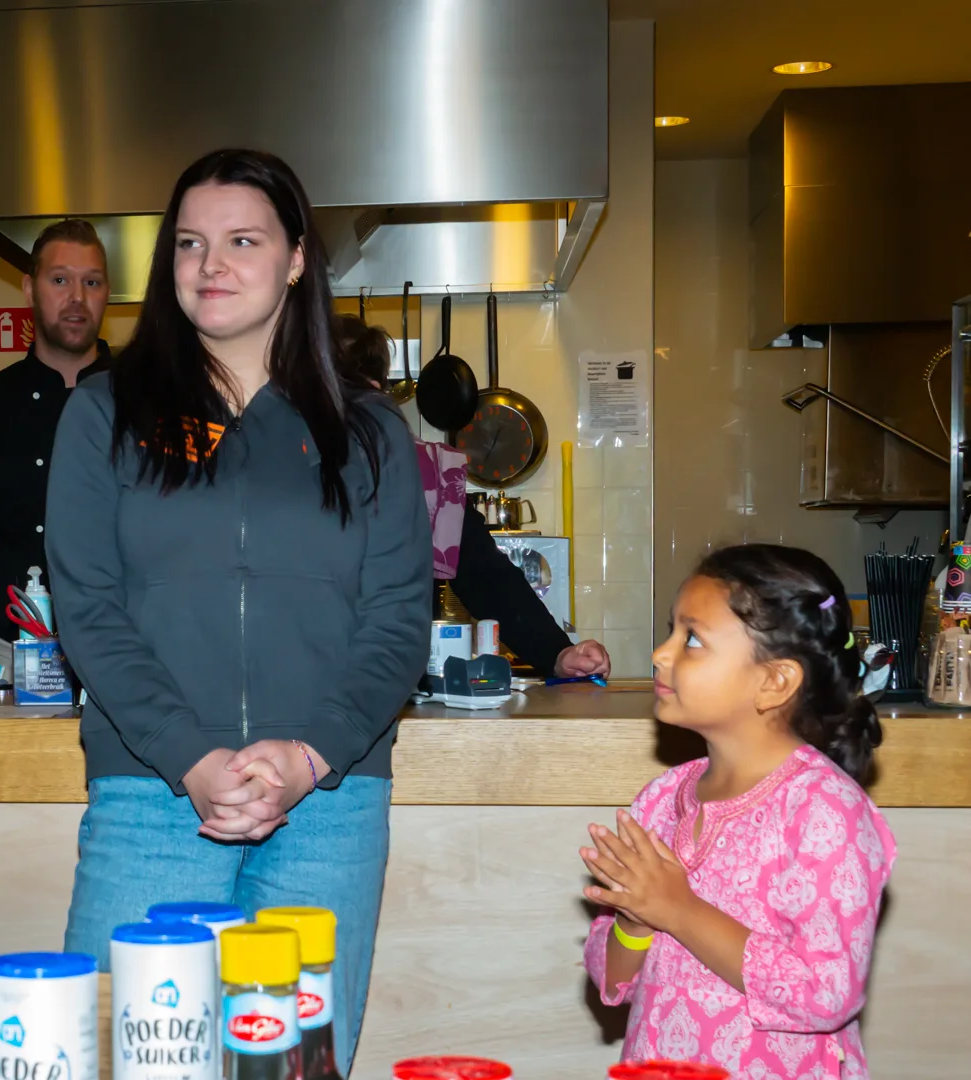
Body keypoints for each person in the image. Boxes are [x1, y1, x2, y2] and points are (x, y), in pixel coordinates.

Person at [46, 149, 431, 1077]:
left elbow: (397, 620)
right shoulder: (104, 413)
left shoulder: (370, 429)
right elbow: (88, 606)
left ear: (296, 258)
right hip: (153, 792)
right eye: (189, 244)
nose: (209, 264)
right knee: (133, 1063)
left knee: (290, 1068)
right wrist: (191, 755)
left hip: (329, 799)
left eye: (242, 241)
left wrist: (310, 756)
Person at [580, 544, 894, 1078]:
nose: (660, 653)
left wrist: (678, 910)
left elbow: (826, 994)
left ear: (774, 681)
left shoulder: (824, 812)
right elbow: (612, 981)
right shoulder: (661, 800)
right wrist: (634, 920)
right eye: (672, 632)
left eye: (692, 639)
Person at [335, 314, 611, 678]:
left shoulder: (424, 477)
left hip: (384, 683)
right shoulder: (276, 470)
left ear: (374, 393)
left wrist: (557, 653)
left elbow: (485, 576)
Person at [0, 219, 111, 639]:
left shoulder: (147, 404)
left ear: (107, 293)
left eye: (92, 282)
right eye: (60, 280)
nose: (77, 297)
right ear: (29, 289)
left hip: (121, 650)